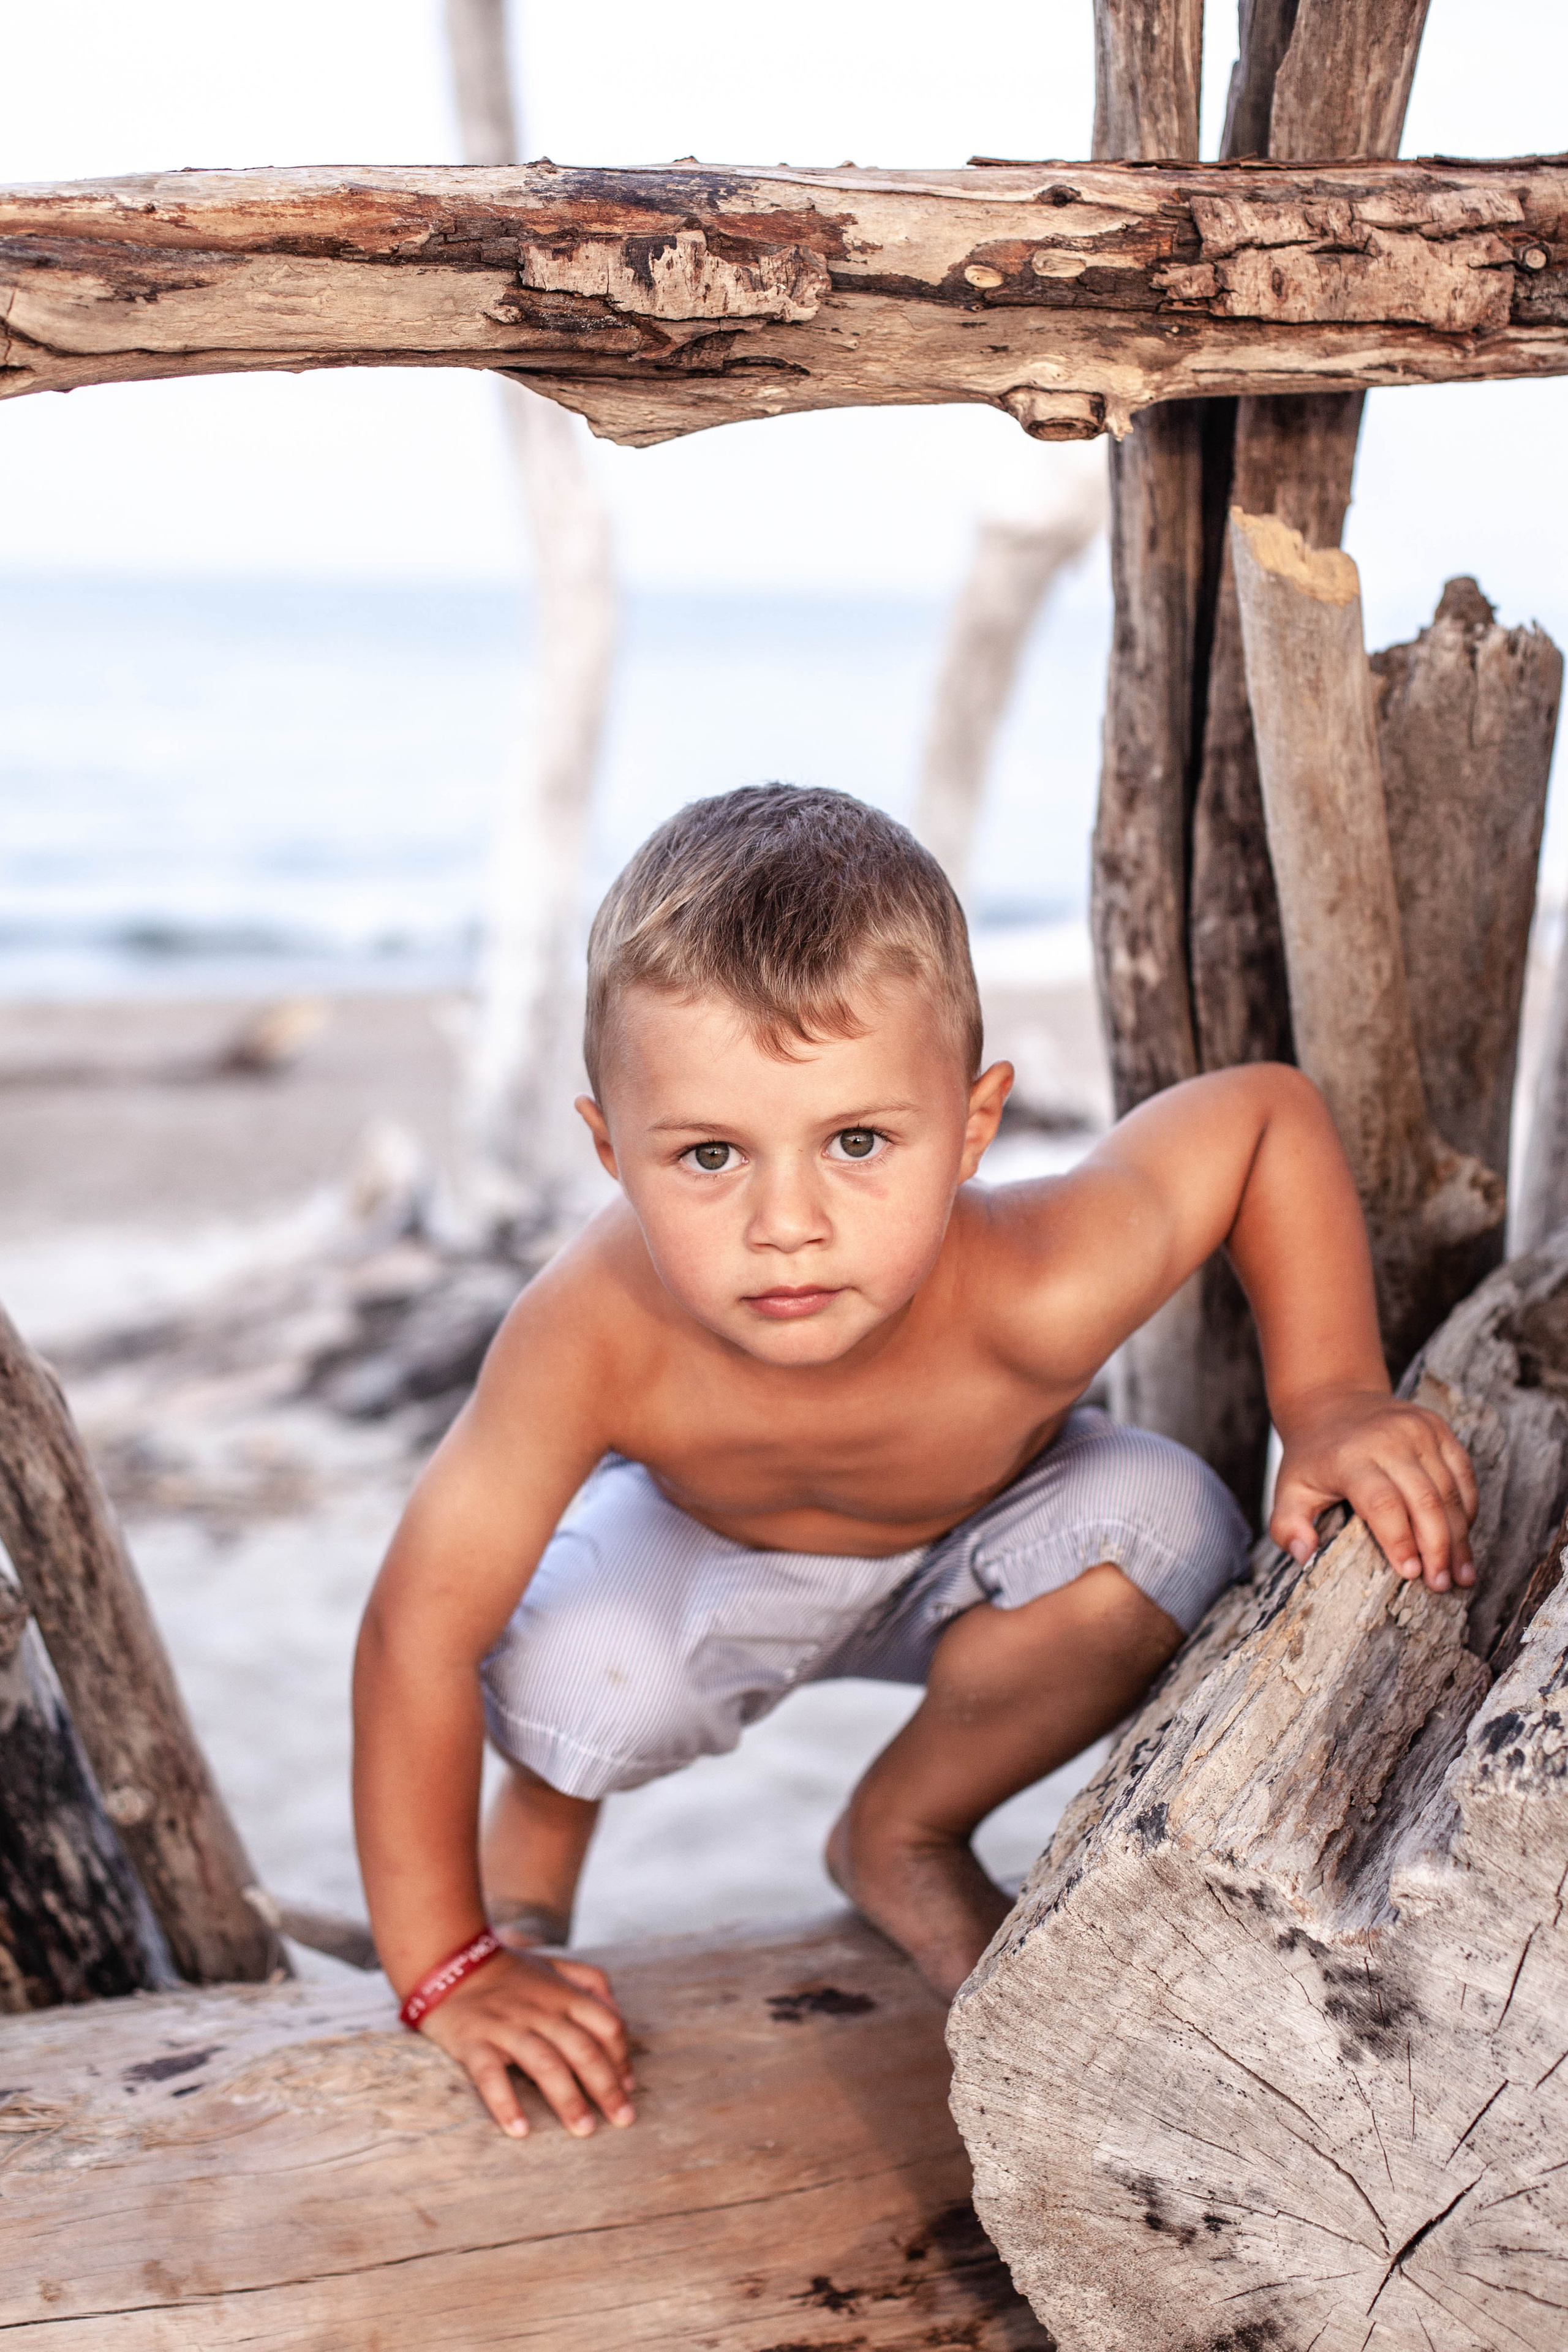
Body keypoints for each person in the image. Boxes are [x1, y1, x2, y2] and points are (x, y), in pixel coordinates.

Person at [353, 783, 1478, 2143]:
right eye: (709, 1155)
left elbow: (1258, 1118)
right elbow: (417, 1626)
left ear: (972, 1124)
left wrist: (1333, 1393)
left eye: (858, 1143)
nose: (787, 1225)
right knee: (576, 1674)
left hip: (987, 1547)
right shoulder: (588, 1333)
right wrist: (448, 1963)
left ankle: (901, 1830)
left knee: (1166, 1519)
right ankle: (530, 1890)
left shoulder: (1041, 1281)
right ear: (608, 1152)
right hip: (707, 1559)